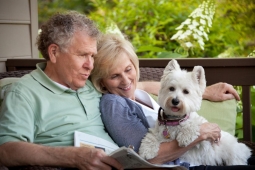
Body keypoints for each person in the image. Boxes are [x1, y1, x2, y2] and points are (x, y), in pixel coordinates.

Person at [90, 33, 254, 170]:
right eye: (114, 76)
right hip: (186, 165)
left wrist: (203, 92)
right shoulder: (113, 103)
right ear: (102, 81)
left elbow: (165, 87)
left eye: (128, 70)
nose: (126, 81)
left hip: (207, 155)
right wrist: (200, 134)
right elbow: (144, 159)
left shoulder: (136, 91)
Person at [0, 11, 124, 170]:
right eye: (82, 55)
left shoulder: (90, 84)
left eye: (92, 56)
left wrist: (143, 86)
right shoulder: (23, 93)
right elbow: (7, 150)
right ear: (54, 52)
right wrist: (73, 157)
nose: (90, 65)